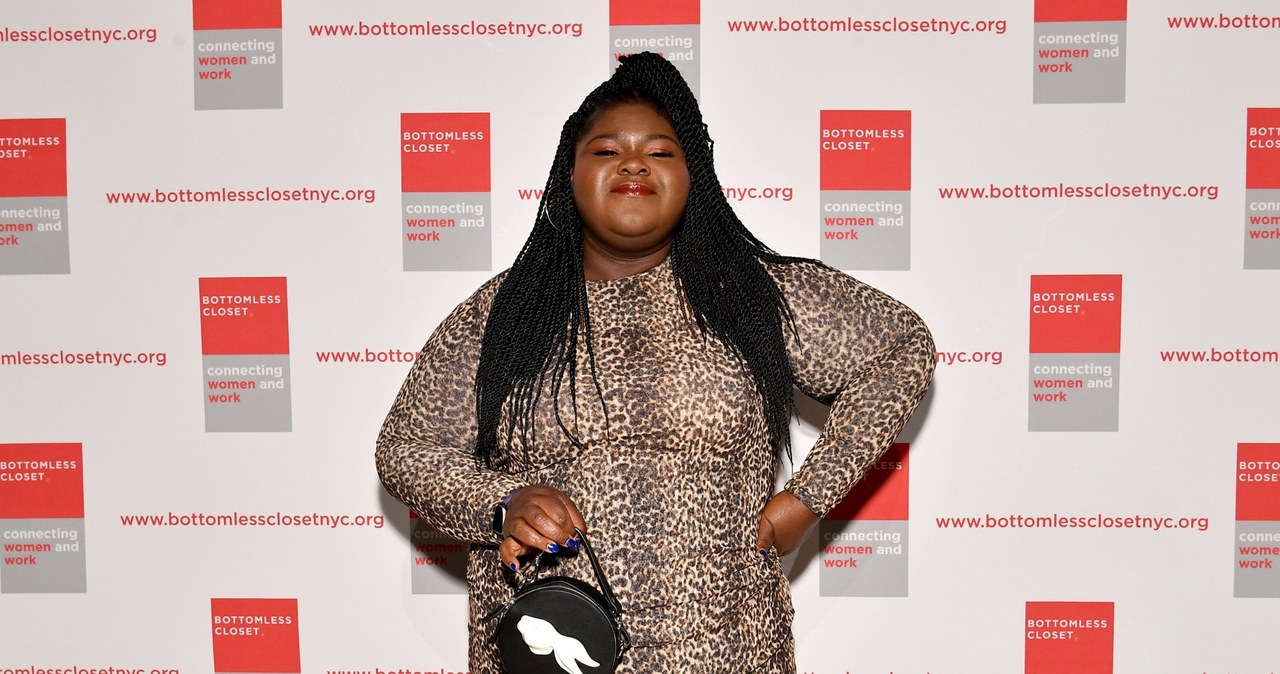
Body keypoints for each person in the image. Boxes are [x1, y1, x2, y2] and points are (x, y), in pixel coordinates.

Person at [377, 52, 935, 673]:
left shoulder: (749, 295)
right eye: (608, 149)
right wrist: (502, 503)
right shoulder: (506, 312)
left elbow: (900, 350)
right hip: (554, 650)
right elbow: (406, 448)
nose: (635, 163)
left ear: (694, 178)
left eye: (662, 152)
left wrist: (806, 500)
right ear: (569, 174)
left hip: (726, 649)